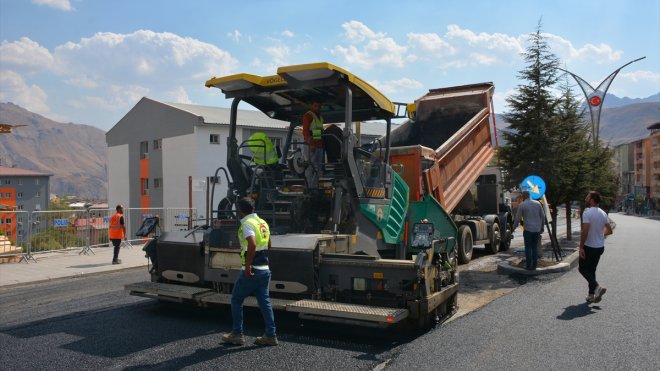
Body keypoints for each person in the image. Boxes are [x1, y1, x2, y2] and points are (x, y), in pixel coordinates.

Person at [222, 197, 278, 346]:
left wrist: (248, 266)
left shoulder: (247, 223)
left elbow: (252, 244)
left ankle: (237, 334)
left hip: (252, 270)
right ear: (253, 208)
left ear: (240, 210)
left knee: (236, 299)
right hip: (265, 269)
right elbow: (269, 244)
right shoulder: (262, 222)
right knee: (265, 303)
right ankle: (271, 335)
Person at [579, 191, 613, 304]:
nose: (586, 198)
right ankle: (591, 295)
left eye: (588, 197)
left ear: (592, 200)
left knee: (582, 269)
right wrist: (600, 235)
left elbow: (585, 231)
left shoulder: (587, 212)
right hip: (599, 247)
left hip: (589, 247)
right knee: (591, 270)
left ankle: (597, 287)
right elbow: (610, 230)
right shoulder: (603, 213)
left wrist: (581, 247)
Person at [512, 190, 545, 270]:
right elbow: (542, 216)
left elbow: (517, 218)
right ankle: (534, 265)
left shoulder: (522, 205)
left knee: (528, 247)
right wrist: (542, 227)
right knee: (534, 247)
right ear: (530, 195)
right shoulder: (538, 204)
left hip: (528, 230)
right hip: (537, 229)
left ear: (523, 196)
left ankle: (528, 265)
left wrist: (514, 227)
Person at [302, 101, 324, 188]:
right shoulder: (308, 116)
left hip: (319, 146)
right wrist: (311, 144)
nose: (317, 108)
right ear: (311, 106)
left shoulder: (320, 118)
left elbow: (320, 132)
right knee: (310, 167)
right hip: (310, 146)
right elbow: (306, 131)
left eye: (319, 106)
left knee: (318, 167)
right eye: (315, 106)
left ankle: (315, 187)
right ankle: (309, 187)